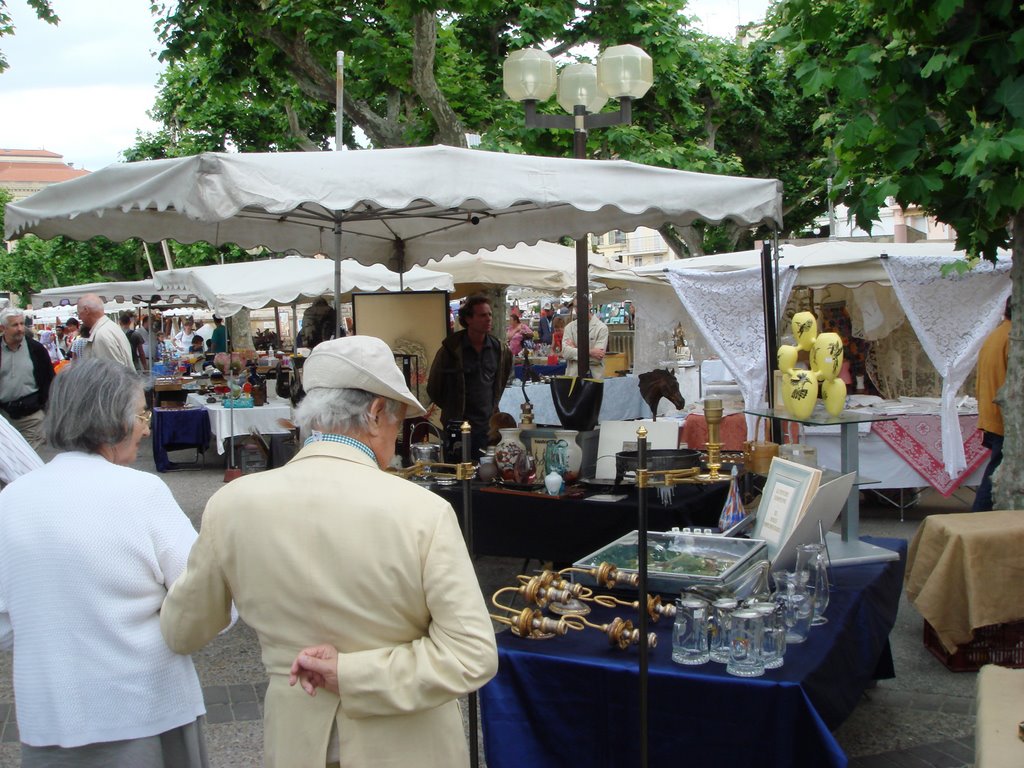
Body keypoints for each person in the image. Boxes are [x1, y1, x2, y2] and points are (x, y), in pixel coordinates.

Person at [161, 336, 498, 768]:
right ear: (376, 414)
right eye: (398, 424)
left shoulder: (231, 504)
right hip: (409, 745)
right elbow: (471, 655)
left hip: (297, 744)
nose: (396, 441)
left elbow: (182, 631)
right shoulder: (423, 511)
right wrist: (353, 674)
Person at [0, 358, 208, 765]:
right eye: (141, 414)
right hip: (143, 707)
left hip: (49, 716)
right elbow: (205, 600)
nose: (146, 427)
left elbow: (5, 624)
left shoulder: (11, 500)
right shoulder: (142, 492)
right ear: (113, 418)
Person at [427, 295, 513, 459]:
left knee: (484, 474)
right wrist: (452, 408)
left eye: (489, 315)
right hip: (457, 426)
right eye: (482, 315)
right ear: (468, 319)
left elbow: (500, 382)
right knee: (457, 473)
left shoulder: (499, 350)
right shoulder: (451, 350)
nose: (488, 319)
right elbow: (434, 387)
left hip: (487, 426)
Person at [973, 296, 1011, 511]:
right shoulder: (1012, 337)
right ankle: (978, 516)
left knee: (996, 468)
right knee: (996, 470)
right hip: (1003, 417)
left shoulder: (996, 335)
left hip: (993, 413)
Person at [0, 307, 56, 450]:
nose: (20, 329)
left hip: (31, 416)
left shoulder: (36, 349)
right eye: (15, 325)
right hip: (4, 418)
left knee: (29, 460)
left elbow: (49, 381)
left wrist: (47, 410)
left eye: (21, 324)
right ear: (3, 328)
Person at [75, 293, 133, 368]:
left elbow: (112, 375)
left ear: (86, 310)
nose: (79, 317)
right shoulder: (111, 328)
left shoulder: (101, 335)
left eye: (78, 313)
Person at [562, 305, 610, 379]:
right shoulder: (569, 327)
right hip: (573, 378)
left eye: (581, 304)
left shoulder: (602, 328)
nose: (578, 309)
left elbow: (597, 359)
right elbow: (565, 353)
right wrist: (590, 352)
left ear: (589, 305)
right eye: (576, 306)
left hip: (594, 380)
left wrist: (574, 349)